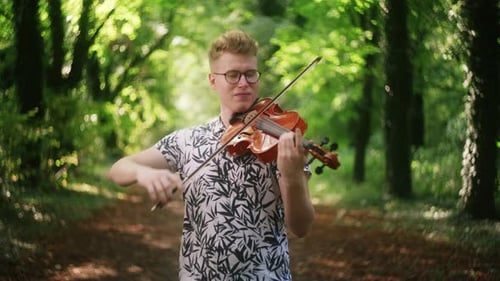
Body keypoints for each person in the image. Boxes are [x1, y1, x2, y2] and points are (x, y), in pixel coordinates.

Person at [107, 30, 315, 280]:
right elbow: (118, 169)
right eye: (232, 75)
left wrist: (292, 177)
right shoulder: (186, 141)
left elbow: (301, 227)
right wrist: (144, 173)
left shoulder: (281, 144)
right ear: (212, 80)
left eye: (250, 74)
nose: (243, 83)